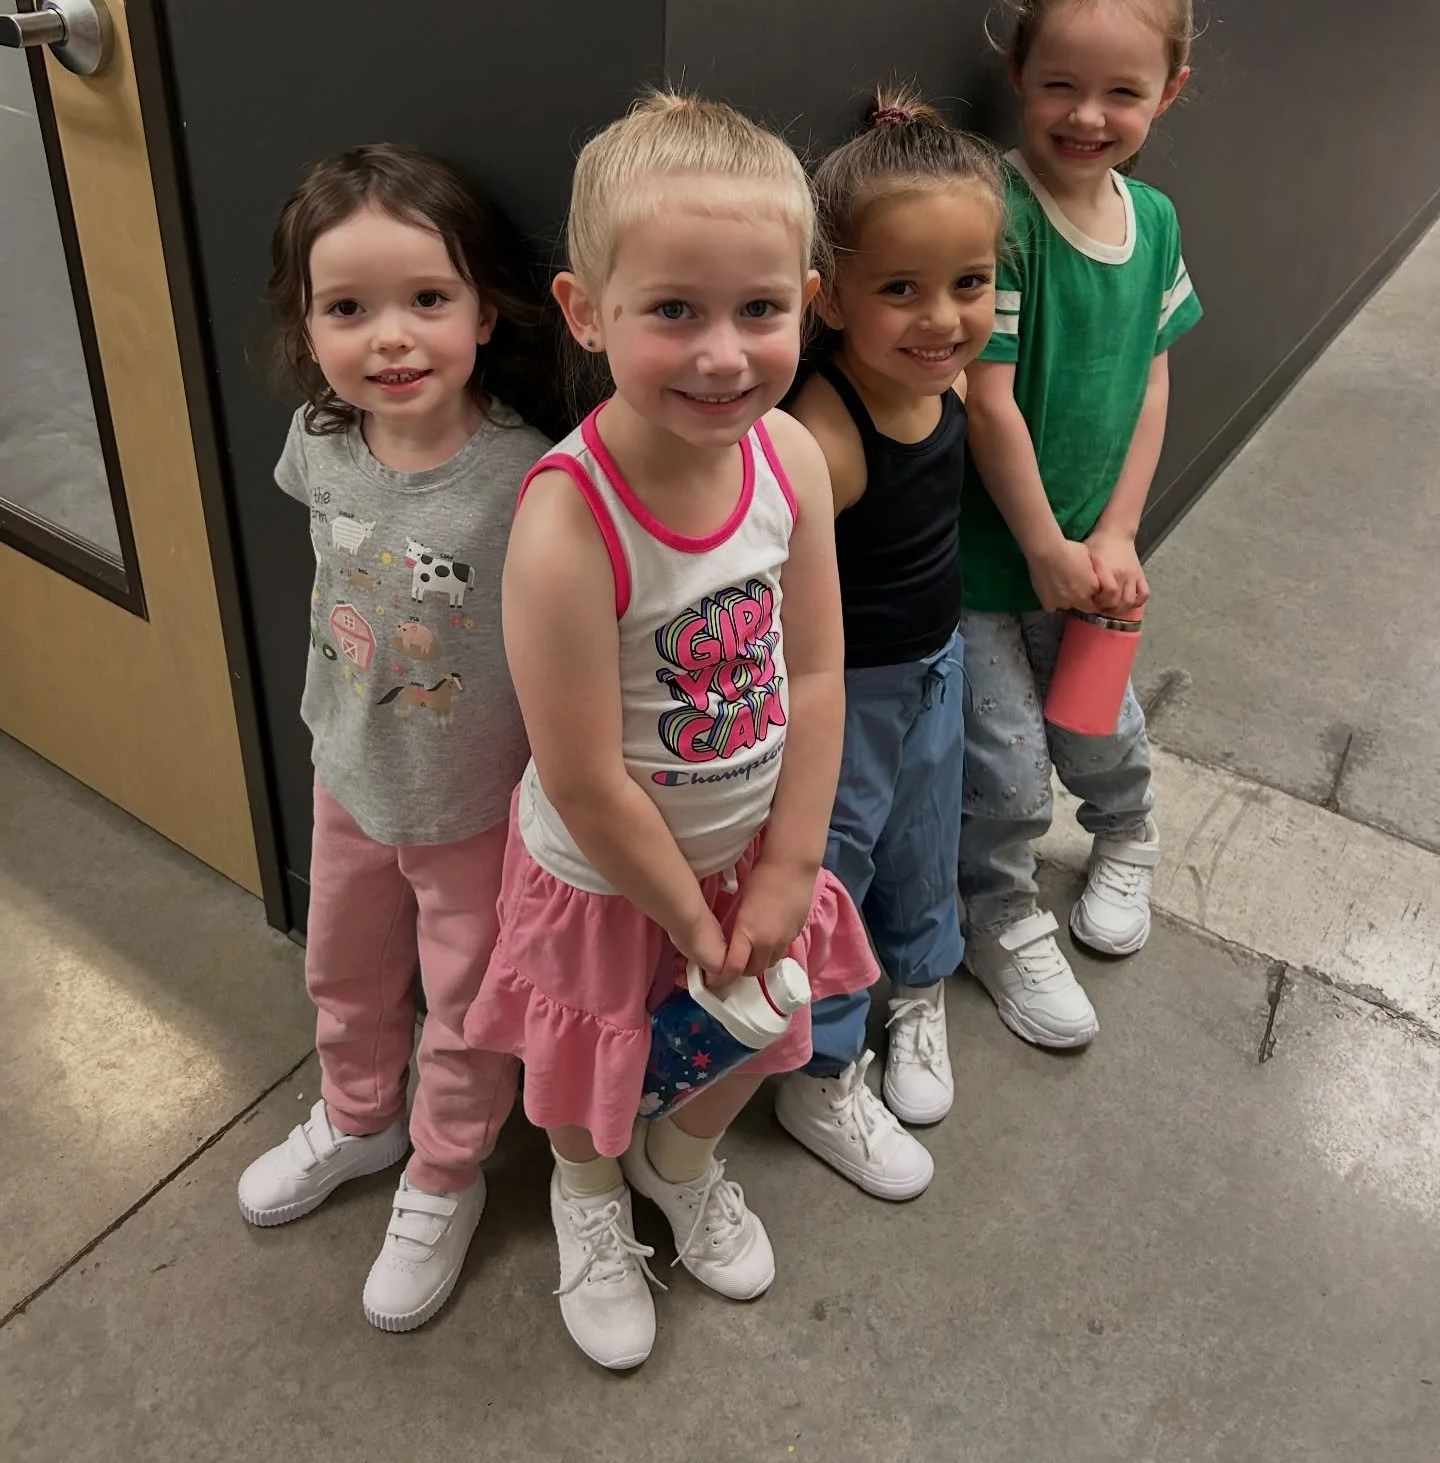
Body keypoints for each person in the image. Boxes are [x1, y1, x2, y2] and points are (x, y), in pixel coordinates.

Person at [464, 91, 877, 1370]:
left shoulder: (792, 464)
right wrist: (691, 922)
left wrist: (790, 867)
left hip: (754, 853)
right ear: (588, 313)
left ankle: (681, 1162)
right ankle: (589, 1196)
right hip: (608, 879)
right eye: (672, 313)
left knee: (757, 1032)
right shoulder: (566, 523)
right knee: (592, 1074)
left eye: (758, 310)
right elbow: (584, 778)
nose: (721, 355)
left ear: (807, 301)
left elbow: (815, 670)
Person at [236, 143, 551, 1331]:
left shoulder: (525, 475)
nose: (393, 338)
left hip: (476, 799)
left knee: (469, 1001)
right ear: (307, 325)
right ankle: (361, 1115)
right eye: (349, 308)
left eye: (428, 300)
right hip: (348, 773)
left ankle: (445, 1170)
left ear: (485, 308)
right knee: (344, 962)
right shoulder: (321, 444)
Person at [959, 0, 1203, 1047]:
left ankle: (1127, 833)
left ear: (1170, 92)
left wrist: (1113, 531)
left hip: (1089, 553)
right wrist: (1047, 546)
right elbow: (988, 398)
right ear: (1019, 75)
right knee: (1002, 761)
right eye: (1060, 84)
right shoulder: (998, 220)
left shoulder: (1151, 224)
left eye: (1121, 92)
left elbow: (1153, 382)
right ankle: (999, 912)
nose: (1087, 115)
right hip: (984, 558)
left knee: (1100, 723)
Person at [776, 87, 1003, 1200]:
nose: (942, 318)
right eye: (899, 289)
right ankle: (817, 1061)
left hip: (935, 664)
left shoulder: (943, 380)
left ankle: (917, 989)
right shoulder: (824, 432)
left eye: (970, 284)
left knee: (922, 839)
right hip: (848, 694)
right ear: (832, 297)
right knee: (832, 867)